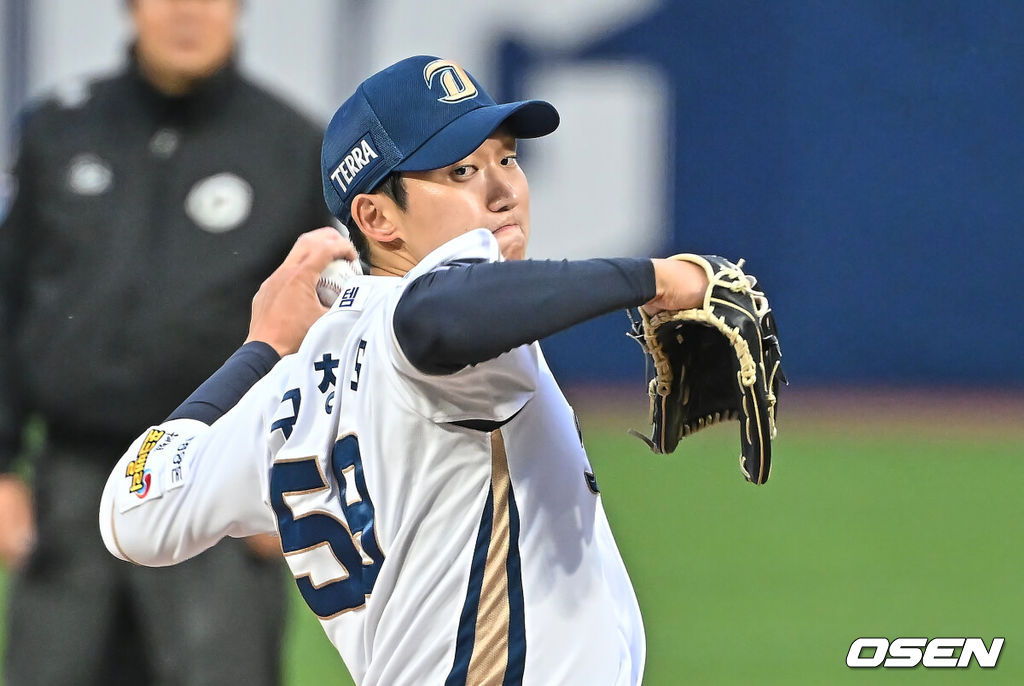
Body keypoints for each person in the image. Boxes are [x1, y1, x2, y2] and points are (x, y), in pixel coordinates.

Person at [98, 55, 715, 685]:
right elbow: (435, 317)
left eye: (506, 159)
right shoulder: (441, 336)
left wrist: (260, 350)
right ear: (375, 218)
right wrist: (656, 279)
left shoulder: (287, 392)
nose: (502, 189)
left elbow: (133, 508)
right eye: (461, 171)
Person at [0, 0, 334, 683]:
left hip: (220, 490)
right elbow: (6, 299)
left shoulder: (291, 146)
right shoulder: (59, 130)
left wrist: (301, 477)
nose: (187, 12)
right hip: (73, 491)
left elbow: (331, 326)